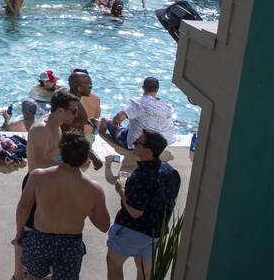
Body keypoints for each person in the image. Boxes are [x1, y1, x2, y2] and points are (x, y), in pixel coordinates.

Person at [15, 134, 111, 280]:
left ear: (61, 152)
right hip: (70, 244)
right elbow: (104, 226)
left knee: (33, 277)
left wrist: (19, 232)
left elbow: (23, 208)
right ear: (86, 159)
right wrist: (89, 208)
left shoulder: (38, 176)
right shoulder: (94, 189)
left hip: (41, 239)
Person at [13, 89, 82, 280]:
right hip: (36, 184)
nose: (75, 115)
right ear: (59, 110)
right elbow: (40, 161)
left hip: (50, 183)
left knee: (43, 230)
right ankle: (18, 275)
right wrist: (70, 165)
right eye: (72, 111)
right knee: (26, 233)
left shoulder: (56, 125)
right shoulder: (41, 129)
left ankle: (32, 270)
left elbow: (55, 156)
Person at [105, 129, 181, 280]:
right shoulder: (170, 171)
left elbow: (135, 212)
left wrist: (122, 192)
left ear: (147, 151)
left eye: (137, 142)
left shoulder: (142, 176)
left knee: (114, 263)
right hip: (156, 232)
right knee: (145, 271)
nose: (133, 143)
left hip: (133, 230)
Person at [100, 77, 175, 150]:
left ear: (143, 88)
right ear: (157, 89)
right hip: (156, 146)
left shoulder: (137, 103)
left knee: (104, 120)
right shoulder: (167, 106)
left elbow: (119, 118)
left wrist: (115, 122)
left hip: (135, 145)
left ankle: (99, 142)